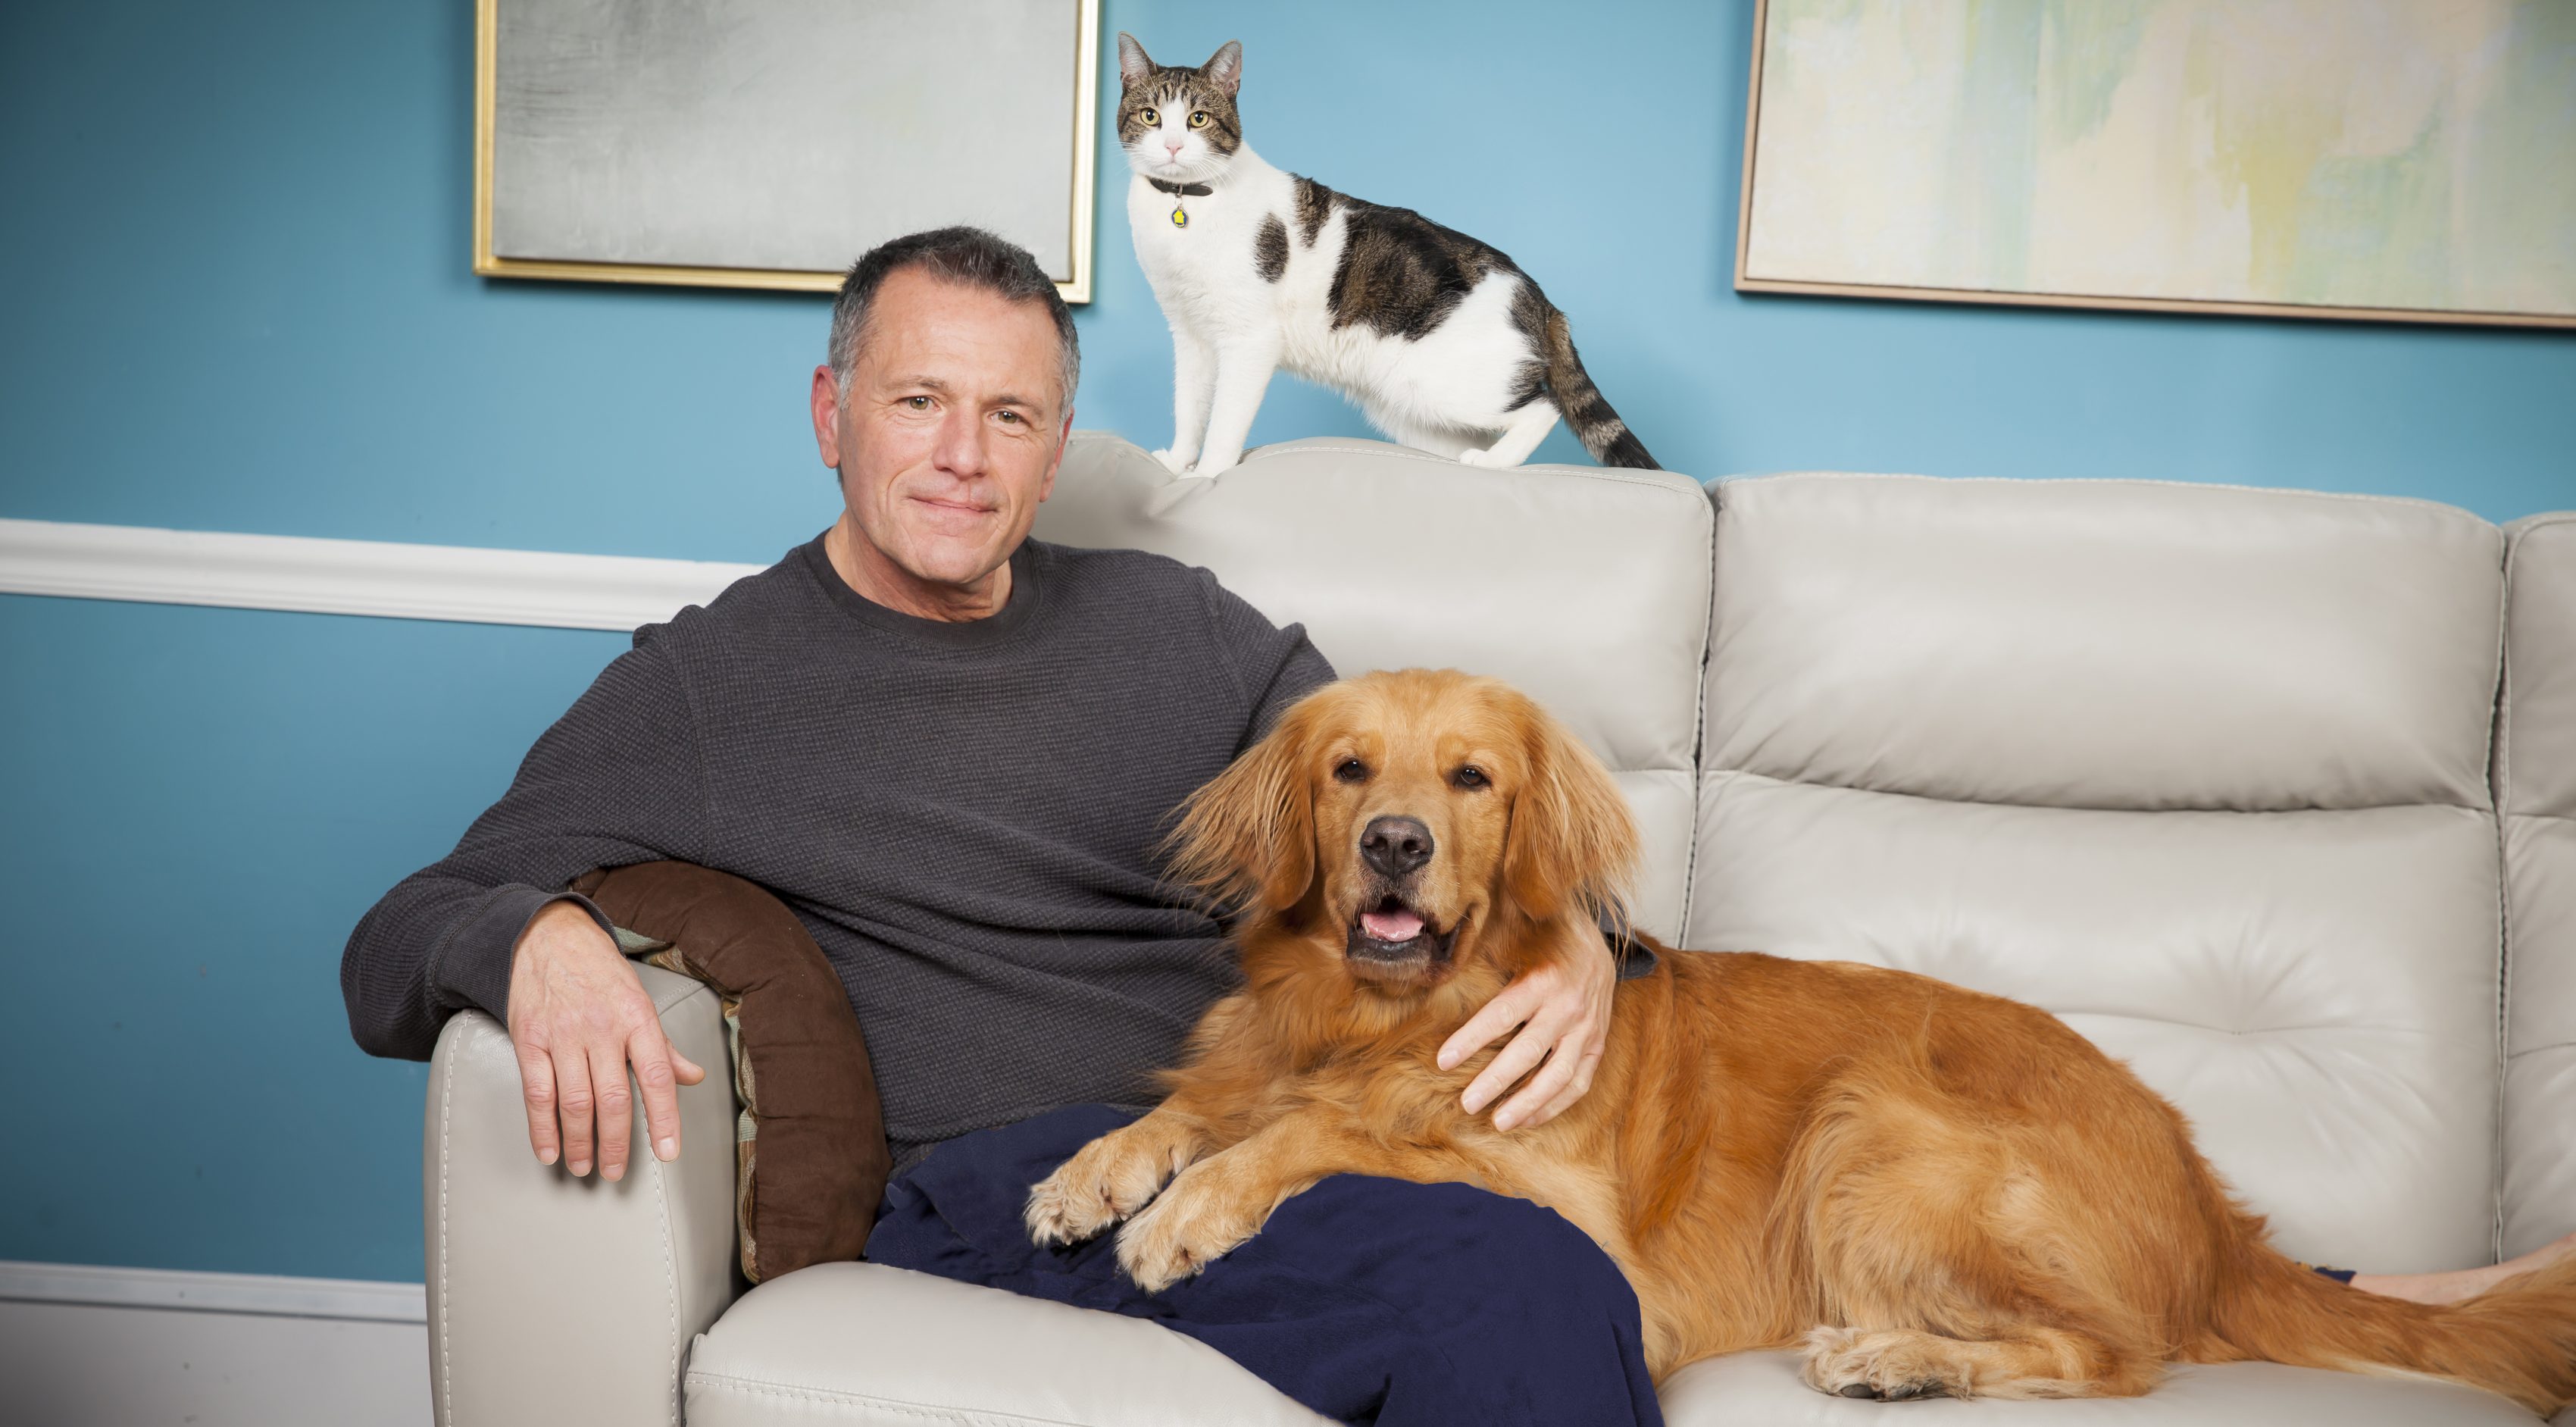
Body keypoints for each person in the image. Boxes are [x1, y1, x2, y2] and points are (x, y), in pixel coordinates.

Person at [342, 228, 2561, 1415]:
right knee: (1514, 1269)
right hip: (1010, 1170)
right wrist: (533, 936)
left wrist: (1588, 940)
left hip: (1290, 1104)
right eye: (918, 400)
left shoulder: (1186, 626)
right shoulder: (718, 681)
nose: (964, 452)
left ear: (1056, 437)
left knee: (1507, 1242)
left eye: (1014, 411)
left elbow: (1420, 824)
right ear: (835, 409)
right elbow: (404, 919)